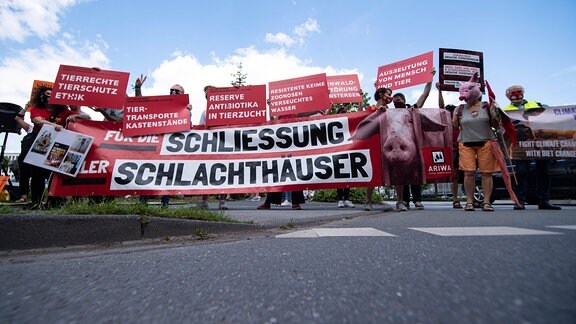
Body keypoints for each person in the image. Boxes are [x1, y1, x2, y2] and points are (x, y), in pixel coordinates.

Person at [503, 85, 561, 210]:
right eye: (512, 93)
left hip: (539, 143)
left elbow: (549, 116)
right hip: (520, 145)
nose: (516, 95)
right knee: (521, 172)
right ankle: (520, 200)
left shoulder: (536, 104)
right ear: (508, 96)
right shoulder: (506, 110)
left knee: (544, 170)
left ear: (523, 93)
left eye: (518, 92)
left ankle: (544, 200)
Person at [28, 89, 87, 207]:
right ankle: (36, 201)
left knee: (54, 172)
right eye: (47, 94)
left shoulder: (64, 111)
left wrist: (77, 114)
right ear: (41, 97)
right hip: (41, 144)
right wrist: (54, 125)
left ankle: (54, 201)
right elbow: (37, 121)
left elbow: (86, 117)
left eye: (52, 94)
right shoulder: (36, 109)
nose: (49, 97)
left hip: (58, 146)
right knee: (37, 173)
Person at [453, 73, 500, 212]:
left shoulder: (487, 106)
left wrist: (495, 113)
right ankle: (469, 201)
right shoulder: (459, 109)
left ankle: (486, 202)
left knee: (486, 173)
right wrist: (455, 118)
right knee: (469, 173)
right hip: (466, 143)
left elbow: (496, 125)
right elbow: (455, 126)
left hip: (485, 142)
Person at [392, 68, 436, 211]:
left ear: (404, 101)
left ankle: (417, 200)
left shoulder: (412, 109)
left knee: (414, 174)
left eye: (398, 100)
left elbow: (424, 95)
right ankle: (404, 201)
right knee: (402, 174)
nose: (396, 102)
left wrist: (430, 78)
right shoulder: (389, 113)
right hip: (398, 147)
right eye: (394, 101)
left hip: (412, 145)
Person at [362, 87, 394, 212]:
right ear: (381, 95)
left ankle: (400, 201)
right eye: (388, 94)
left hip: (389, 144)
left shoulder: (391, 112)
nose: (390, 96)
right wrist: (377, 112)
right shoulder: (370, 109)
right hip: (375, 145)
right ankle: (368, 200)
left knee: (395, 172)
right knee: (374, 173)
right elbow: (365, 122)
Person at [437, 82, 462, 208]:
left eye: (452, 111)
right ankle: (455, 199)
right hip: (452, 150)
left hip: (464, 148)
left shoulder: (460, 119)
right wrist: (440, 91)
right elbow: (441, 106)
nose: (450, 113)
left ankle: (469, 199)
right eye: (448, 111)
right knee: (455, 175)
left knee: (470, 173)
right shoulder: (444, 120)